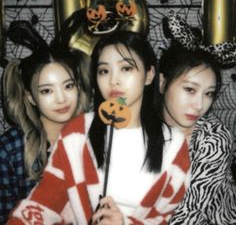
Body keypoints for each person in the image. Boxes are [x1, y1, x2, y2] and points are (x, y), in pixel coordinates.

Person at [7, 31, 190, 225]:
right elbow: (46, 200)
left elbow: (164, 218)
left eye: (126, 68)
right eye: (104, 71)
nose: (113, 80)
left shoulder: (174, 145)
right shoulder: (77, 133)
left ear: (149, 75)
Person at [0, 38, 91, 223]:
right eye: (46, 91)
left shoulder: (97, 136)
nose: (61, 99)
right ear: (30, 97)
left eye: (68, 86)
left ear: (78, 86)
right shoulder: (9, 150)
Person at [156, 45, 236, 224]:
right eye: (190, 89)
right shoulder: (143, 130)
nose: (200, 105)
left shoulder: (214, 139)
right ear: (162, 83)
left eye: (208, 94)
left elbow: (189, 214)